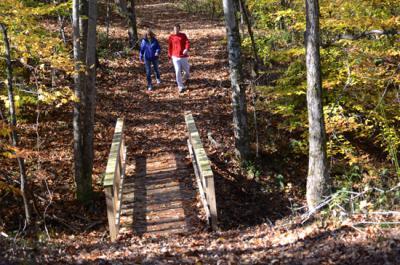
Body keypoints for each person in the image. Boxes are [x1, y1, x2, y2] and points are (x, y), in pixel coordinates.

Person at [168, 24, 190, 93]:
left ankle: (185, 77)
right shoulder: (171, 37)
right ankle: (180, 86)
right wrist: (169, 56)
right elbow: (170, 47)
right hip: (175, 56)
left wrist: (186, 49)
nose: (176, 31)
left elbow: (187, 42)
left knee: (187, 72)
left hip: (183, 56)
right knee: (177, 71)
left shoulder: (183, 35)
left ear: (179, 29)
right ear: (173, 29)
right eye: (174, 29)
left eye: (177, 29)